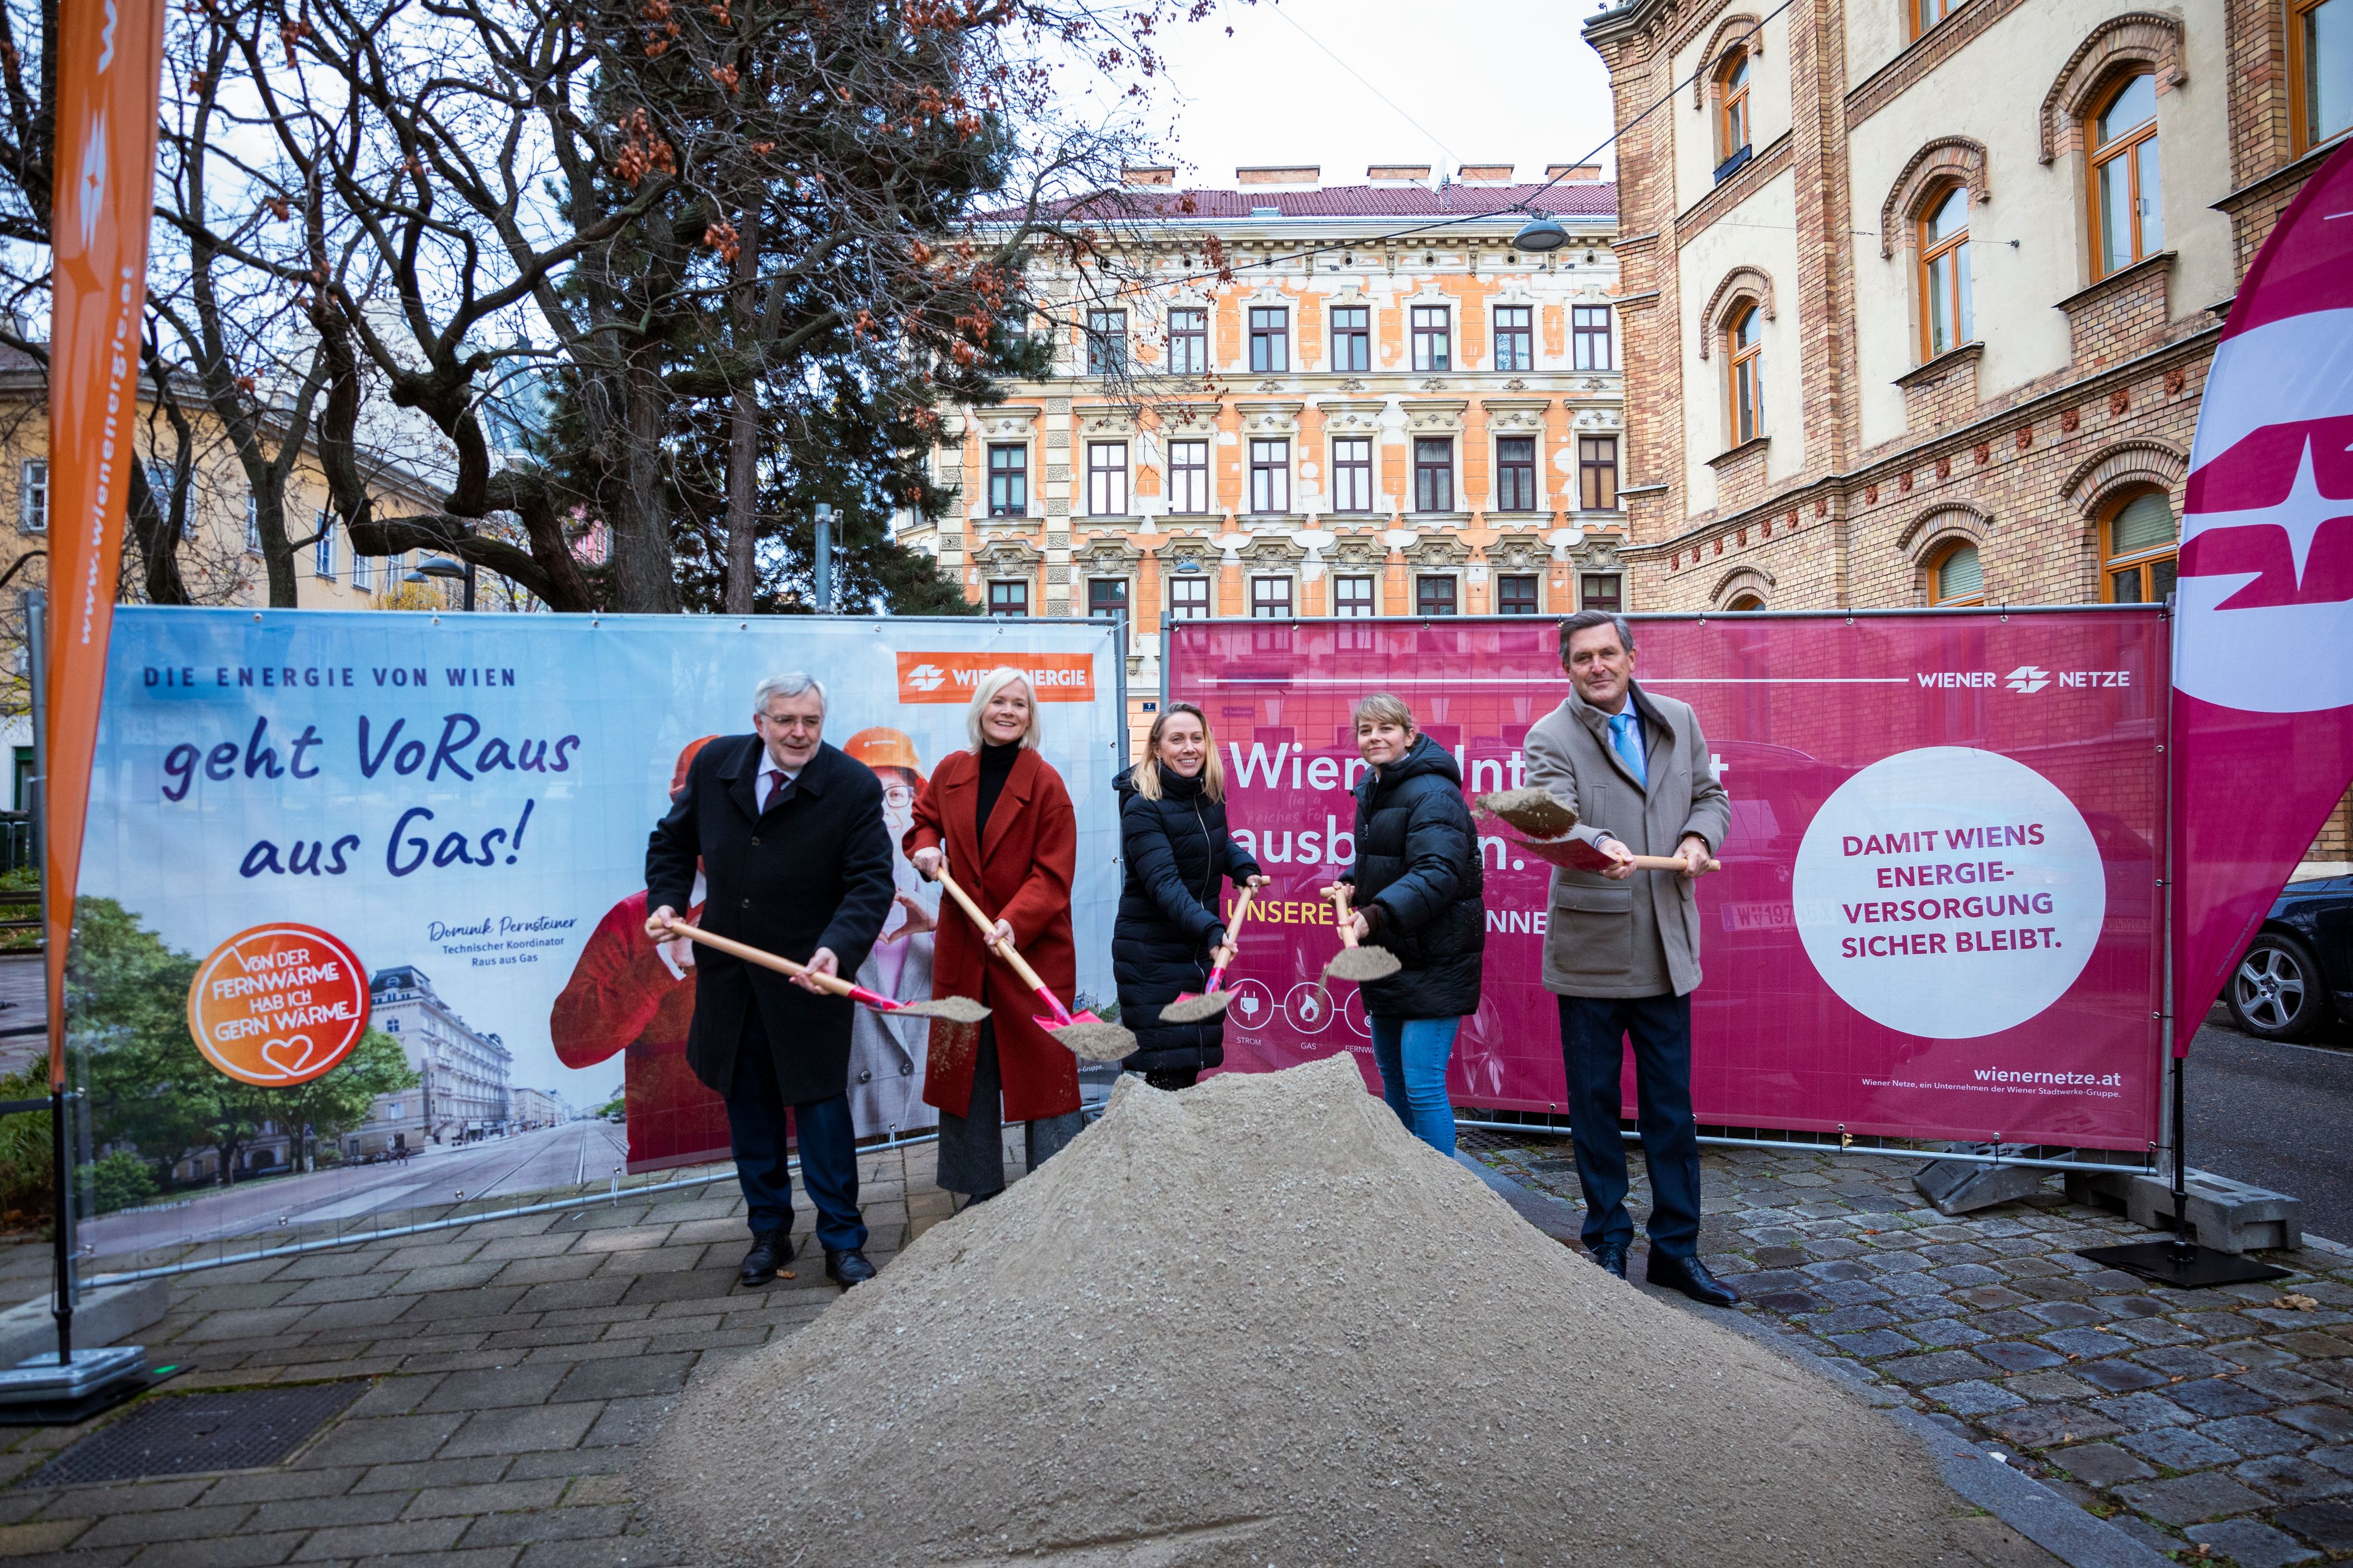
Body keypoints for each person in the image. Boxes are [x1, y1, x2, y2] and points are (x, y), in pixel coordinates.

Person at [645, 672, 895, 1289]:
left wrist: (837, 950)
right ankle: (768, 1231)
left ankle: (843, 1239)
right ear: (760, 723)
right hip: (731, 975)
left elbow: (869, 883)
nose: (799, 732)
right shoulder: (717, 765)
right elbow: (671, 843)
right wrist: (668, 901)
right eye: (786, 720)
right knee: (750, 1106)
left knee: (821, 1110)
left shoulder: (852, 785)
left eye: (810, 720)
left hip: (809, 975)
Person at [1523, 609, 1736, 1307]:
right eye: (1582, 657)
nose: (1597, 666)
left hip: (1666, 948)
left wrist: (1701, 840)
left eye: (1607, 653)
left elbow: (1710, 794)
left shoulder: (1677, 718)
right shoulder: (1549, 735)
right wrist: (1595, 842)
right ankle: (1607, 1236)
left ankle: (1676, 1251)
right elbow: (1546, 818)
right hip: (1592, 951)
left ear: (1631, 656)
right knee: (1594, 1105)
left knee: (1671, 1112)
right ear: (1567, 667)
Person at [904, 669, 1085, 1205]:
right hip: (965, 948)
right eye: (998, 702)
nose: (1008, 712)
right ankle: (975, 1193)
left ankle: (1055, 1192)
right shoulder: (950, 771)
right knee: (966, 1065)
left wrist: (1015, 920)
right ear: (981, 709)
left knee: (1045, 1065)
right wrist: (927, 847)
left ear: (1031, 718)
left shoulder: (1046, 783)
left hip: (1029, 948)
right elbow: (922, 821)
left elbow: (1053, 873)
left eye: (1020, 705)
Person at [551, 735, 730, 1172]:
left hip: (793, 1147)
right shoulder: (635, 918)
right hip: (679, 1163)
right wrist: (663, 964)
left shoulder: (796, 901)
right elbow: (574, 1042)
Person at [1325, 693, 1484, 1156]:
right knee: (1393, 1082)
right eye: (1365, 731)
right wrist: (1353, 883)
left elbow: (1438, 872)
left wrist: (1373, 916)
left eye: (1385, 729)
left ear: (1409, 735)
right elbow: (1392, 862)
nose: (1374, 738)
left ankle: (1442, 1198)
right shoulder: (1375, 787)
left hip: (1436, 957)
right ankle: (1406, 1190)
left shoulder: (1433, 791)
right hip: (1392, 956)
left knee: (1422, 1087)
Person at [1112, 703, 1269, 1092]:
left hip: (1196, 950)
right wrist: (1213, 932)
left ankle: (1172, 1150)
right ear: (1157, 748)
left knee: (1189, 1064)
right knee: (1168, 1070)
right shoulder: (1143, 807)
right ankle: (1153, 1150)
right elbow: (1164, 885)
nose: (1189, 748)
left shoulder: (1207, 795)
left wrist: (1243, 866)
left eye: (1197, 739)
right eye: (1177, 739)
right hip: (1153, 956)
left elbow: (1217, 844)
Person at [842, 726, 941, 1137]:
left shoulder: (952, 891)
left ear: (916, 803)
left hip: (932, 1113)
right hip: (860, 1118)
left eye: (896, 795)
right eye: (867, 797)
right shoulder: (825, 896)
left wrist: (940, 925)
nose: (883, 812)